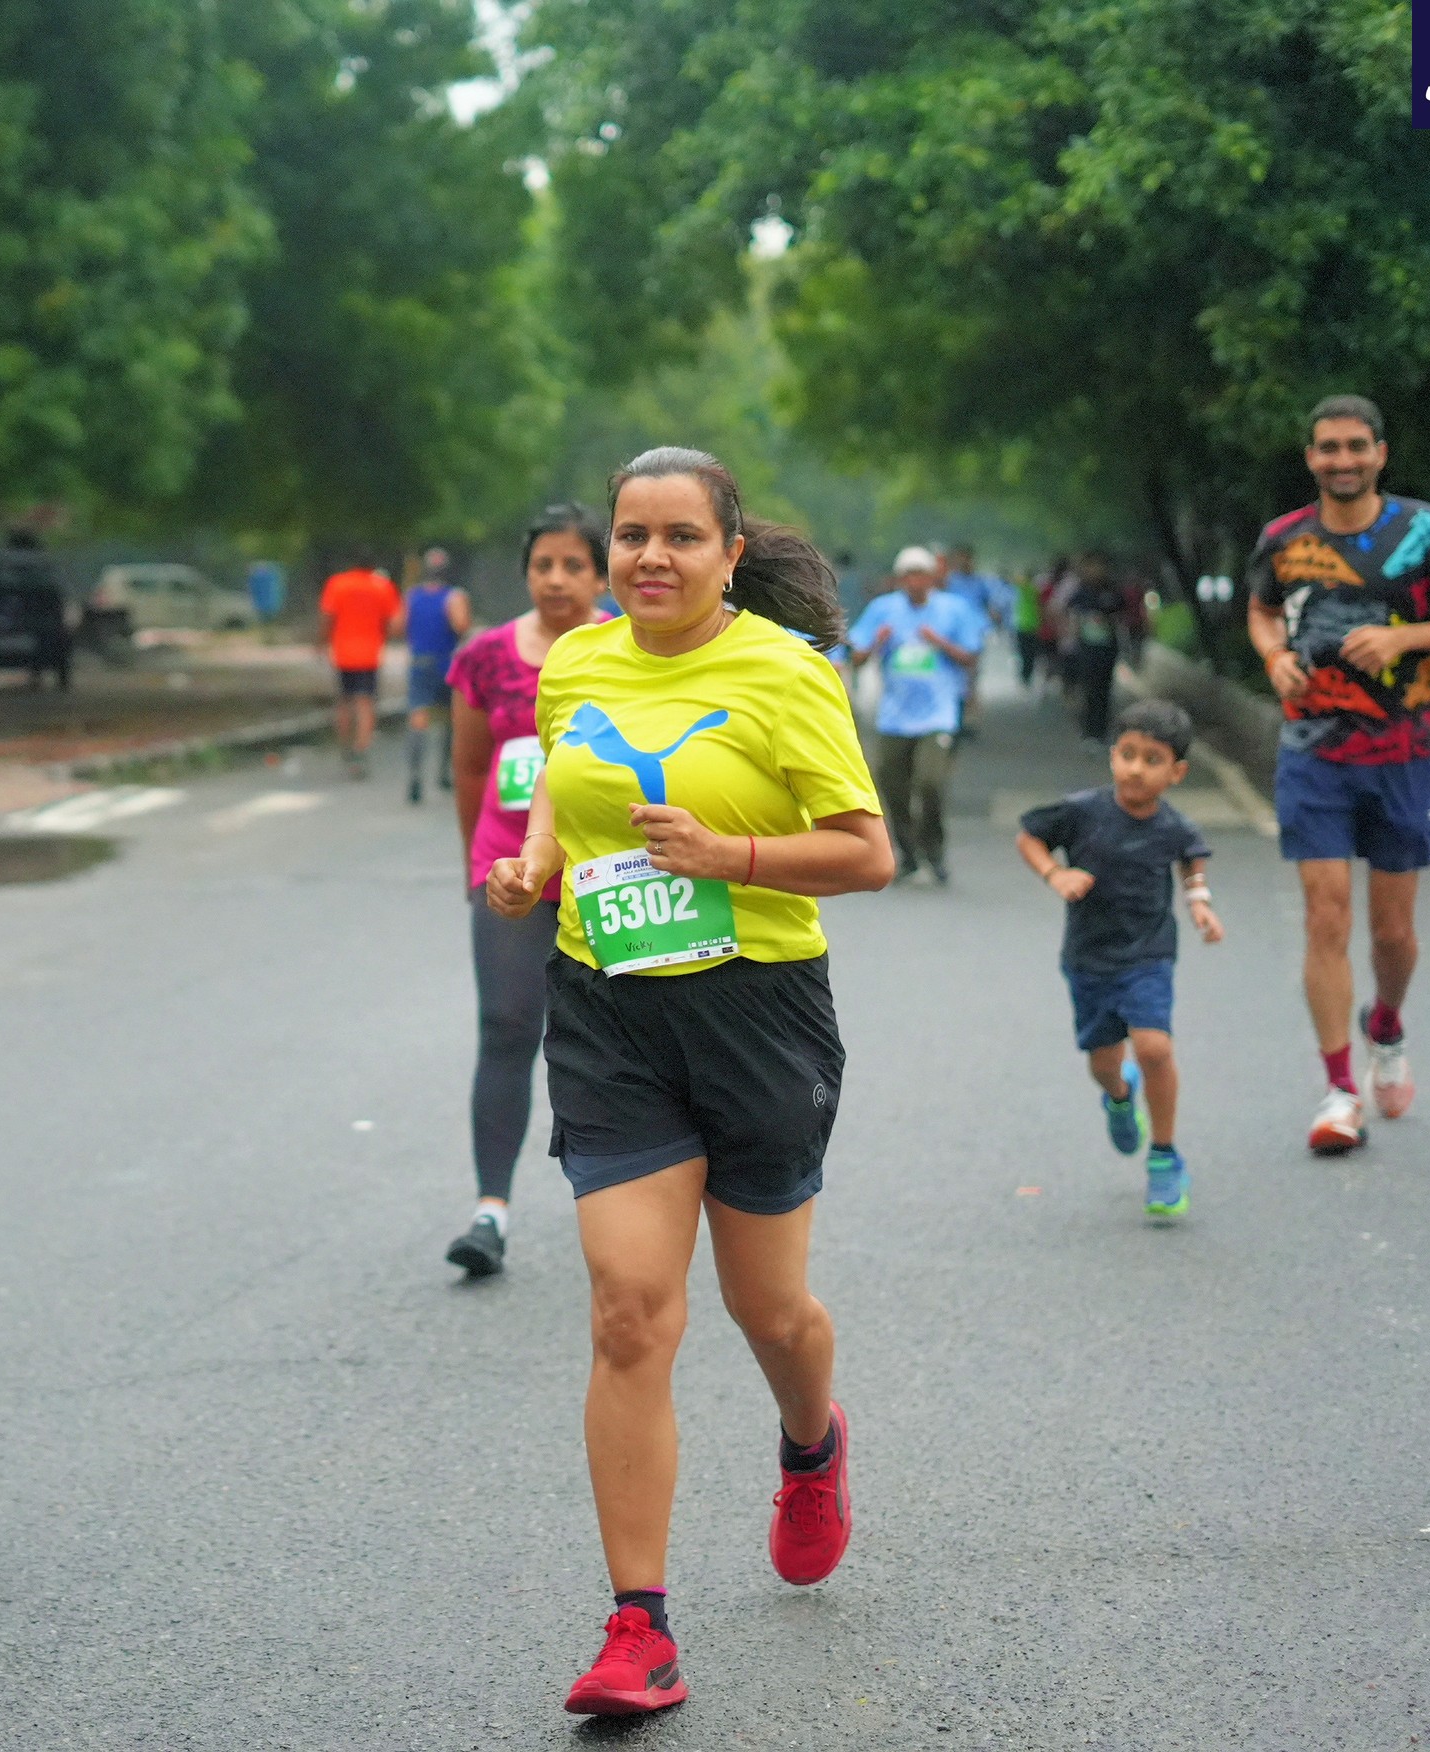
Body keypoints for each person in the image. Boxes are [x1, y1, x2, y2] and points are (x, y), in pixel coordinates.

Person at [484, 447, 891, 1717]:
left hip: (758, 1013)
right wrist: (536, 863)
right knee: (629, 1310)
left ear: (729, 554)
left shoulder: (786, 673)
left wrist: (732, 854)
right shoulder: (576, 662)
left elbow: (867, 854)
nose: (650, 557)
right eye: (632, 536)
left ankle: (811, 1444)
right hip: (610, 1013)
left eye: (680, 537)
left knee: (769, 1310)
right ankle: (638, 1628)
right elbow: (566, 783)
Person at [1245, 395, 1430, 1155]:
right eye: (1328, 448)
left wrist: (1400, 640)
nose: (1342, 460)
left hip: (1404, 750)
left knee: (1393, 933)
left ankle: (1386, 1021)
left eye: (1356, 446)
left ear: (1380, 453)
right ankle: (1339, 1089)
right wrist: (1274, 657)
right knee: (1325, 917)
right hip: (1313, 750)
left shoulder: (1423, 530)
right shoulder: (1283, 538)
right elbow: (1261, 611)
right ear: (1310, 457)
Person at [441, 507, 605, 1276]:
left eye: (574, 565)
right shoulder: (485, 658)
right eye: (544, 565)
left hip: (604, 874)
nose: (557, 580)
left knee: (609, 1041)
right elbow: (472, 768)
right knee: (507, 1026)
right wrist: (477, 868)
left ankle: (620, 1201)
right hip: (509, 869)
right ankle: (490, 1210)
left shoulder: (629, 651)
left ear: (601, 576)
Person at [1014, 700, 1226, 1220]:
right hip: (1089, 959)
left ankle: (1164, 1155)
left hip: (1148, 956)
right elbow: (1030, 836)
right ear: (1112, 756)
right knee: (1104, 1063)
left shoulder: (1174, 826)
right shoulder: (1082, 812)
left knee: (1154, 1047)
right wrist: (1055, 875)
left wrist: (1199, 903)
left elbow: (1192, 860)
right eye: (1127, 754)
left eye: (1152, 760)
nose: (1135, 768)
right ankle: (1118, 1094)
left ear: (1176, 772)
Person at [847, 547, 987, 884]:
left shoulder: (952, 609)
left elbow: (971, 657)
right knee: (891, 787)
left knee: (930, 783)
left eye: (920, 575)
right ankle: (908, 853)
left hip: (938, 715)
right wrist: (876, 643)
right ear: (900, 579)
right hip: (894, 717)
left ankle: (934, 850)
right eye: (908, 575)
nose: (914, 582)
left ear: (932, 578)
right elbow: (857, 659)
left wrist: (939, 642)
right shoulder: (883, 609)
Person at [315, 557, 403, 778]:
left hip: (343, 654)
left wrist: (322, 642)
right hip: (369, 655)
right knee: (365, 703)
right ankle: (361, 750)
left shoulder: (338, 583)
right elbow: (396, 624)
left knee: (344, 701)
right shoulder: (382, 586)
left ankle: (345, 746)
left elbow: (327, 616)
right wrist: (382, 634)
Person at [404, 547, 473, 804]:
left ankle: (415, 775)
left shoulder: (412, 596)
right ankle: (444, 772)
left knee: (418, 718)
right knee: (450, 719)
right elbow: (461, 625)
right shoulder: (454, 597)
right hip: (446, 663)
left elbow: (399, 626)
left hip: (419, 663)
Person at [1054, 553, 1141, 742]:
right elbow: (1066, 610)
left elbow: (1123, 612)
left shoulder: (1113, 591)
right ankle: (1089, 729)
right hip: (1086, 648)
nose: (1095, 570)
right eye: (1091, 566)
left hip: (1108, 647)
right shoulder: (1081, 591)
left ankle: (1101, 729)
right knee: (1089, 688)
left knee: (1104, 688)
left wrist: (1109, 620)